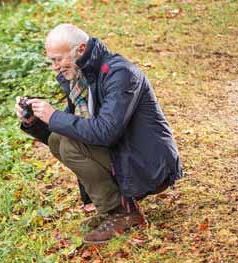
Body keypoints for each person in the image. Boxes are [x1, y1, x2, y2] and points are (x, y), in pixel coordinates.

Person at [15, 24, 183, 244]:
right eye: (52, 61)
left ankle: (122, 212)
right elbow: (70, 129)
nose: (54, 67)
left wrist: (54, 116)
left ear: (81, 49)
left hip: (149, 163)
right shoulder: (83, 77)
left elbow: (106, 132)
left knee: (69, 144)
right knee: (58, 139)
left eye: (58, 59)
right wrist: (34, 122)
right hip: (124, 153)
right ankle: (114, 209)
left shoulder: (120, 74)